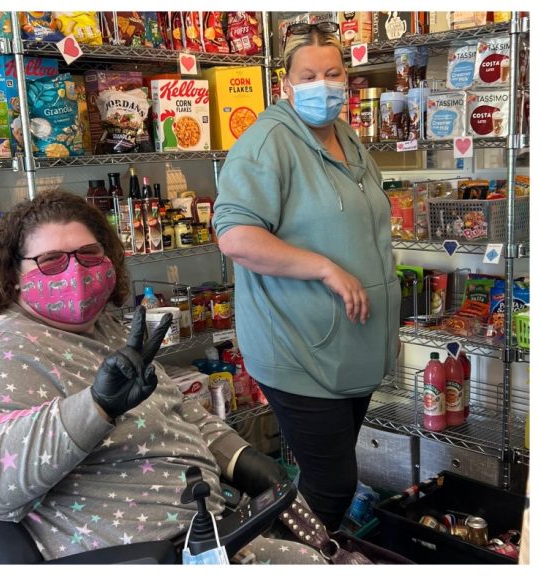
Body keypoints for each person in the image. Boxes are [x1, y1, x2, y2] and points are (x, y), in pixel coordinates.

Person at [0, 191, 323, 564]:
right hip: (145, 554)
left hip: (210, 535)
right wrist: (94, 407)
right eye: (50, 260)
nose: (75, 271)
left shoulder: (107, 329)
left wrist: (240, 458)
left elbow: (176, 407)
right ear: (13, 274)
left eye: (88, 254)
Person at [212, 21, 401, 532]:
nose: (324, 84)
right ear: (286, 85)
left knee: (326, 480)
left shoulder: (345, 136)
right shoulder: (268, 142)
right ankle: (277, 554)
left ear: (348, 79)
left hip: (349, 346)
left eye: (334, 73)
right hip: (298, 346)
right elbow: (235, 237)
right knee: (333, 482)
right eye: (309, 75)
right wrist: (325, 268)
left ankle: (308, 548)